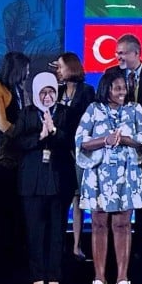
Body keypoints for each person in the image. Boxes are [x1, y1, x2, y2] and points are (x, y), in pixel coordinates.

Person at [75, 69, 142, 284]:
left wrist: (125, 140)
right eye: (117, 88)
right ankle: (99, 277)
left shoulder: (135, 109)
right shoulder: (93, 109)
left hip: (126, 175)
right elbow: (81, 140)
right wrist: (104, 141)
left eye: (124, 88)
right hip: (98, 175)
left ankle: (122, 278)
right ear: (106, 88)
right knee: (98, 224)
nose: (122, 92)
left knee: (122, 224)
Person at [15, 72, 73, 284]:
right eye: (43, 93)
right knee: (35, 230)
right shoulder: (27, 113)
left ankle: (54, 276)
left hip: (59, 180)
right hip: (32, 180)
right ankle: (37, 276)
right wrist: (39, 136)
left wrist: (54, 131)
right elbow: (16, 142)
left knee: (57, 230)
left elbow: (73, 140)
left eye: (51, 92)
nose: (47, 97)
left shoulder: (66, 113)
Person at [0, 51, 30, 280]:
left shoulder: (19, 90)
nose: (28, 74)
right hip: (3, 159)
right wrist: (27, 139)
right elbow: (2, 124)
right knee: (1, 212)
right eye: (26, 69)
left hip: (19, 160)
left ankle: (16, 262)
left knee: (16, 213)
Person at [54, 52, 96, 261]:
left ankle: (77, 245)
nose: (58, 71)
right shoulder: (57, 91)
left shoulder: (87, 91)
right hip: (60, 151)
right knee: (60, 199)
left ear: (71, 67)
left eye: (60, 67)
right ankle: (58, 244)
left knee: (78, 198)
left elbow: (90, 122)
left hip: (80, 152)